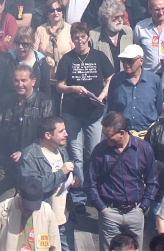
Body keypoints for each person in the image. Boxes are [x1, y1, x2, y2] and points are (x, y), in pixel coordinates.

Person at [56, 21, 114, 210]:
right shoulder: (67, 59)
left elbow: (110, 79)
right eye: (75, 38)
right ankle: (79, 196)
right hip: (72, 112)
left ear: (88, 37)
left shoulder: (98, 56)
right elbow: (59, 85)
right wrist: (73, 89)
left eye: (82, 37)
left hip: (94, 112)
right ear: (72, 40)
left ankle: (93, 190)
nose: (79, 41)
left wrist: (102, 96)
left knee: (93, 152)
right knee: (76, 155)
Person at [85, 110, 159, 251]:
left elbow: (153, 180)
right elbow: (89, 183)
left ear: (122, 133)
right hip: (110, 212)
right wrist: (102, 208)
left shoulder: (143, 149)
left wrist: (144, 206)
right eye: (104, 134)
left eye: (108, 135)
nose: (105, 138)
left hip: (135, 211)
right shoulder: (100, 150)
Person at [0, 63, 53, 201]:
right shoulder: (6, 101)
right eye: (16, 80)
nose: (20, 84)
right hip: (7, 162)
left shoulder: (45, 102)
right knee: (2, 207)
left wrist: (25, 153)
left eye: (24, 80)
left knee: (28, 209)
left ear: (33, 81)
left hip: (33, 164)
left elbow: (46, 136)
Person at [19, 116, 78, 251]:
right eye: (61, 131)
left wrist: (73, 180)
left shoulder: (62, 150)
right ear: (48, 135)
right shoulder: (30, 156)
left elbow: (64, 180)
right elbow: (34, 188)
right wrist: (61, 173)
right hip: (43, 222)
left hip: (64, 219)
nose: (66, 134)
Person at [0, 175, 61, 251]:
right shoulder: (0, 211)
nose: (28, 211)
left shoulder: (47, 212)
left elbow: (55, 246)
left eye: (33, 208)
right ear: (19, 195)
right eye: (26, 206)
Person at [0, 24, 51, 118]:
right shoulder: (5, 60)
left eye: (25, 44)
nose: (20, 47)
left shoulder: (41, 62)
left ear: (32, 43)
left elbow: (45, 92)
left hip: (33, 111)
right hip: (8, 110)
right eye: (17, 43)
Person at [107, 44, 164, 135]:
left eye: (130, 60)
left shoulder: (154, 80)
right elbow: (111, 106)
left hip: (148, 134)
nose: (126, 64)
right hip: (123, 134)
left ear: (141, 61)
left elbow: (158, 108)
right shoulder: (116, 80)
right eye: (123, 60)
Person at [35, 0, 74, 83]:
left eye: (58, 9)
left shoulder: (70, 29)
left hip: (66, 78)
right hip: (44, 78)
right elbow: (34, 54)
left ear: (62, 12)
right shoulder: (40, 30)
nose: (56, 13)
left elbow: (75, 54)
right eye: (52, 10)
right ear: (47, 14)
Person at [90, 0, 133, 70]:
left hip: (125, 78)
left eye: (122, 16)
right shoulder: (93, 36)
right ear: (106, 18)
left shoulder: (128, 31)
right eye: (116, 17)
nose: (120, 20)